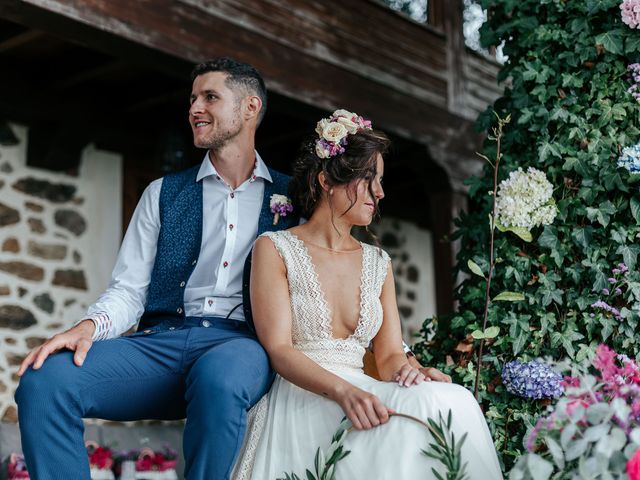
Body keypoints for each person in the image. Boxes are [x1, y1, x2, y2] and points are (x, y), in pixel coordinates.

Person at [14, 57, 299, 480]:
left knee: (219, 378)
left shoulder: (294, 197)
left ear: (250, 108)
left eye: (210, 97)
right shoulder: (162, 193)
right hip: (161, 342)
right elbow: (129, 290)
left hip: (240, 346)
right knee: (46, 380)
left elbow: (332, 278)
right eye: (192, 99)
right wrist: (87, 327)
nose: (194, 109)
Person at [233, 110, 503, 479]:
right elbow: (280, 350)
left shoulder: (379, 261)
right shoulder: (275, 248)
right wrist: (343, 392)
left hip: (363, 388)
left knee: (451, 399)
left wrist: (415, 373)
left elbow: (390, 355)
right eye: (369, 179)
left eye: (380, 181)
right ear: (327, 180)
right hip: (306, 394)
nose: (380, 192)